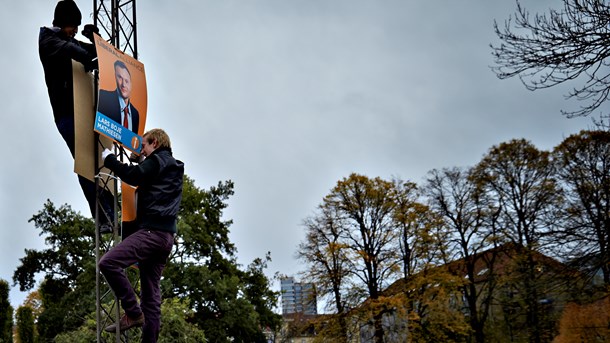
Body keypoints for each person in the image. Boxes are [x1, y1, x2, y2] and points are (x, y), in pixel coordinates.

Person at [99, 129, 184, 342]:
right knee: (151, 297)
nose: (142, 151)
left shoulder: (157, 161)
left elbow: (133, 176)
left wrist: (109, 159)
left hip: (151, 233)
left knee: (108, 263)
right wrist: (143, 159)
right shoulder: (172, 165)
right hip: (166, 238)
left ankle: (133, 313)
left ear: (155, 142)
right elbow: (148, 176)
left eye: (144, 146)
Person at [39, 0, 114, 233]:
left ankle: (109, 211)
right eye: (73, 26)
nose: (74, 31)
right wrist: (89, 49)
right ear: (63, 23)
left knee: (101, 160)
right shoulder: (49, 41)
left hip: (84, 109)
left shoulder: (66, 39)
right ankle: (101, 216)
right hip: (67, 114)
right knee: (85, 162)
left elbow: (93, 53)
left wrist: (95, 38)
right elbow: (79, 54)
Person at [97, 60, 140, 134]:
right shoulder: (103, 97)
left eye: (126, 81)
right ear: (115, 77)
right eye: (120, 77)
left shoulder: (135, 114)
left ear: (131, 84)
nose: (123, 84)